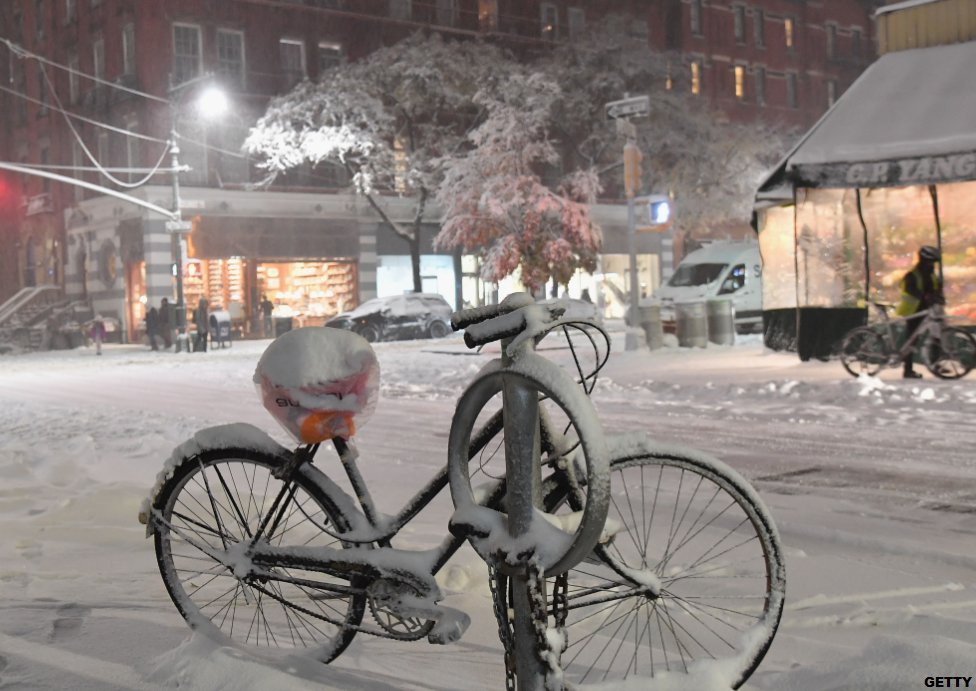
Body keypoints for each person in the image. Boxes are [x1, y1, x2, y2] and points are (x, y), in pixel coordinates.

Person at [895, 245, 943, 379]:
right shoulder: (912, 275)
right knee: (912, 340)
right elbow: (910, 289)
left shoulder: (931, 274)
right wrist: (924, 296)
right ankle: (908, 369)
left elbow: (935, 288)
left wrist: (937, 296)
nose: (933, 264)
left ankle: (935, 364)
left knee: (936, 336)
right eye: (931, 261)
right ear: (925, 260)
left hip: (928, 310)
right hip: (913, 310)